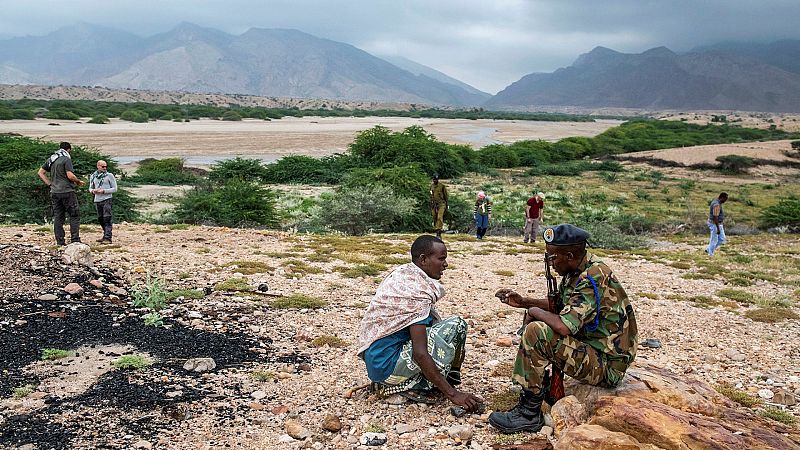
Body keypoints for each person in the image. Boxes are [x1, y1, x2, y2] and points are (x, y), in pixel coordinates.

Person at [489, 224, 637, 433]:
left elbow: (564, 325)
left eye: (553, 258)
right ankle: (541, 389)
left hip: (607, 366)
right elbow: (563, 307)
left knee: (537, 331)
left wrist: (532, 310)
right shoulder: (577, 269)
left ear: (569, 255)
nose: (550, 264)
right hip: (595, 351)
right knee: (539, 322)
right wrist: (523, 302)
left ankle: (529, 413)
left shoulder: (591, 277)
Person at [357, 235, 483, 411]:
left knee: (432, 323)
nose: (445, 264)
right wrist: (453, 394)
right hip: (387, 367)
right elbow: (420, 353)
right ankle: (421, 385)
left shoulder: (403, 275)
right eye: (441, 259)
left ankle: (424, 382)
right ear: (423, 259)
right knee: (457, 325)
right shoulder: (416, 292)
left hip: (377, 363)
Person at [37, 142, 86, 245]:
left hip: (54, 191)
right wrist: (78, 181)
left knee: (58, 217)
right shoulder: (66, 159)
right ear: (68, 150)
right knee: (74, 215)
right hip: (67, 191)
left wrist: (50, 184)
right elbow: (70, 175)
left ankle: (60, 242)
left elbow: (40, 173)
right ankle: (75, 240)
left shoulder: (52, 159)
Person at [89, 160, 118, 244]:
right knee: (100, 218)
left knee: (107, 217)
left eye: (105, 167)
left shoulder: (109, 176)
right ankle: (105, 234)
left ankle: (108, 237)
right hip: (97, 199)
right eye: (103, 167)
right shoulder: (93, 176)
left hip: (107, 199)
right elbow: (90, 188)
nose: (104, 168)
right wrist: (93, 191)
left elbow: (115, 188)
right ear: (98, 166)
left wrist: (104, 191)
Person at [707, 192, 728, 256]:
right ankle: (710, 254)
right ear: (722, 197)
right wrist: (718, 228)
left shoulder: (716, 201)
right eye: (725, 199)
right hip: (715, 224)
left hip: (718, 224)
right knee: (714, 240)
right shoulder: (717, 205)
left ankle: (709, 249)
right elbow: (715, 217)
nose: (725, 201)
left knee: (722, 238)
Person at [430, 173, 448, 238]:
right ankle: (436, 229)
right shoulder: (431, 186)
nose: (435, 180)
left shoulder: (442, 186)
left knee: (439, 217)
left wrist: (447, 205)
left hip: (441, 204)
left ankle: (438, 232)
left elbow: (446, 196)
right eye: (434, 179)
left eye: (436, 179)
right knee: (434, 217)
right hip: (434, 204)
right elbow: (431, 196)